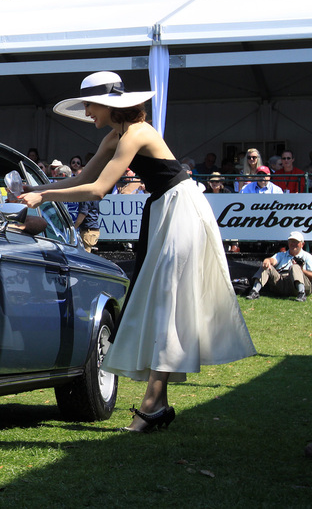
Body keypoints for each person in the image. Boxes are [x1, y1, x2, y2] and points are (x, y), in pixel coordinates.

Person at [19, 71, 254, 433]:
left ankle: (152, 405)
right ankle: (155, 404)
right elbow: (81, 179)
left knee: (165, 300)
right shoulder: (116, 136)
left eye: (89, 105)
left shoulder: (135, 134)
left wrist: (45, 195)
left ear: (109, 105)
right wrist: (38, 188)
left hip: (181, 210)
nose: (86, 112)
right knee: (158, 300)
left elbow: (97, 190)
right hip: (165, 209)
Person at [246, 231, 311, 302]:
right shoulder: (281, 255)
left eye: (296, 242)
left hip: (301, 284)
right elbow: (272, 260)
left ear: (302, 244)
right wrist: (267, 260)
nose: (293, 244)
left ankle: (301, 293)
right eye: (291, 241)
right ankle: (254, 291)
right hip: (281, 282)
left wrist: (302, 270)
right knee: (267, 265)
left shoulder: (307, 256)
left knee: (294, 267)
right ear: (288, 243)